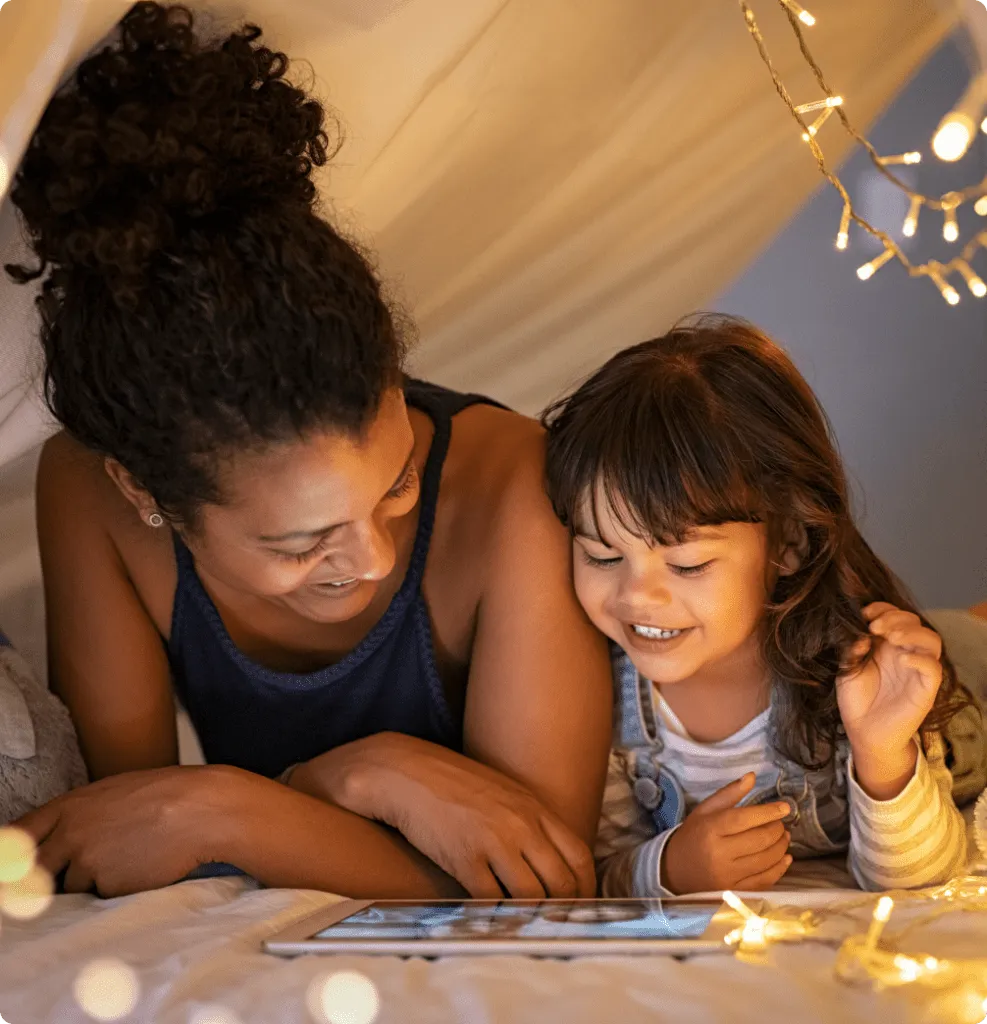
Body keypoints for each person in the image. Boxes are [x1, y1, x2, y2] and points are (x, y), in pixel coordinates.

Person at [3, 1, 612, 899]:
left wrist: (273, 795)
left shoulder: (515, 481)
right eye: (298, 544)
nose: (369, 556)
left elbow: (546, 887)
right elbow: (124, 834)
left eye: (399, 484)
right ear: (148, 495)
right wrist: (303, 794)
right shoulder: (87, 491)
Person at [541, 315, 983, 896]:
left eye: (687, 565)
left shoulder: (863, 675)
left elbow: (923, 878)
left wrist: (882, 753)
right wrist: (668, 868)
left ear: (788, 544)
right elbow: (595, 873)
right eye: (601, 556)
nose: (635, 596)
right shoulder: (596, 693)